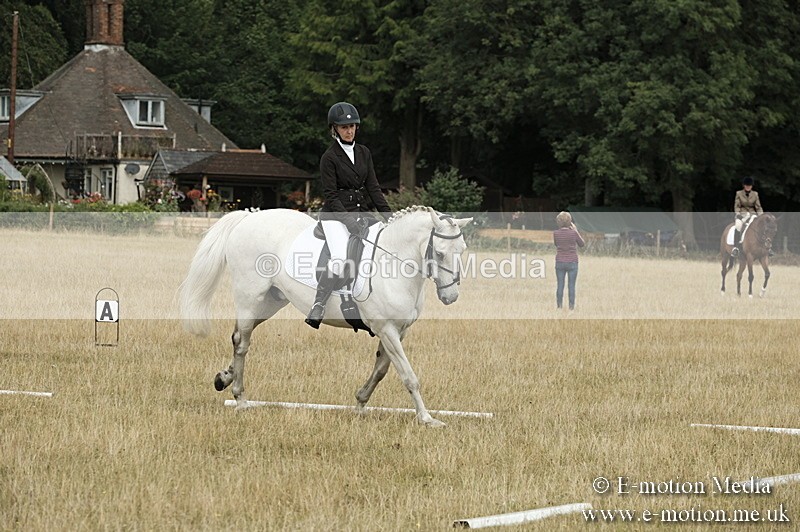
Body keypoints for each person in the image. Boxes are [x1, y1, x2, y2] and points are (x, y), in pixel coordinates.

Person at [305, 101, 393, 329]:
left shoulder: (364, 152)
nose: (350, 130)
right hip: (335, 216)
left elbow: (373, 188)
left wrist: (390, 217)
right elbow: (331, 196)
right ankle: (319, 304)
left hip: (361, 213)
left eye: (353, 126)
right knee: (340, 259)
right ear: (334, 129)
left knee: (375, 250)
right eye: (344, 127)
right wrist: (349, 221)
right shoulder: (329, 157)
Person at [553, 211, 585, 310]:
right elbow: (582, 244)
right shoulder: (573, 233)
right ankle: (571, 307)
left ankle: (559, 306)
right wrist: (576, 231)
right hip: (572, 262)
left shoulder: (556, 233)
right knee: (571, 286)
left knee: (560, 285)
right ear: (570, 222)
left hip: (560, 262)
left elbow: (556, 244)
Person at [731, 176, 764, 257]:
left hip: (752, 215)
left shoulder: (755, 194)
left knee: (762, 226)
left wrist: (761, 216)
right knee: (738, 226)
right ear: (744, 186)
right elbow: (737, 206)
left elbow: (758, 207)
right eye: (746, 185)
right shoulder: (738, 193)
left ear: (751, 186)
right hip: (742, 215)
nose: (748, 187)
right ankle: (735, 248)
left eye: (749, 186)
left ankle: (767, 248)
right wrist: (738, 214)